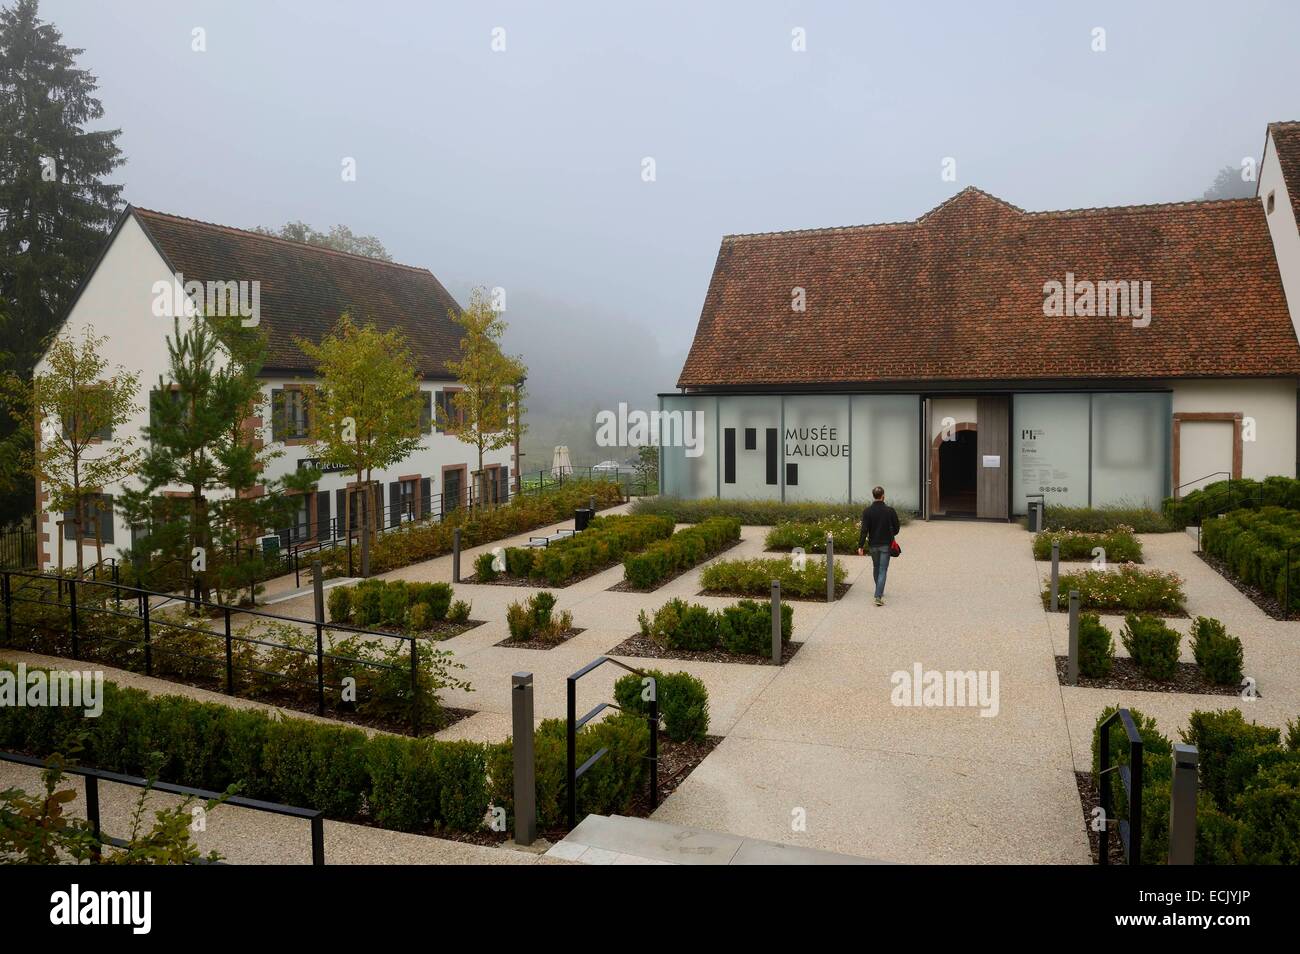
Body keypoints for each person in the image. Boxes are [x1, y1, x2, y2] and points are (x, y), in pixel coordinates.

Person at [856, 485, 900, 606]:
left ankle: (878, 590)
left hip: (873, 544)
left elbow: (864, 530)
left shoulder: (867, 511)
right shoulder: (890, 511)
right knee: (883, 570)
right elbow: (897, 528)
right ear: (883, 496)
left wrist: (860, 546)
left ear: (873, 496)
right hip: (886, 544)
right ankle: (878, 596)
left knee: (876, 568)